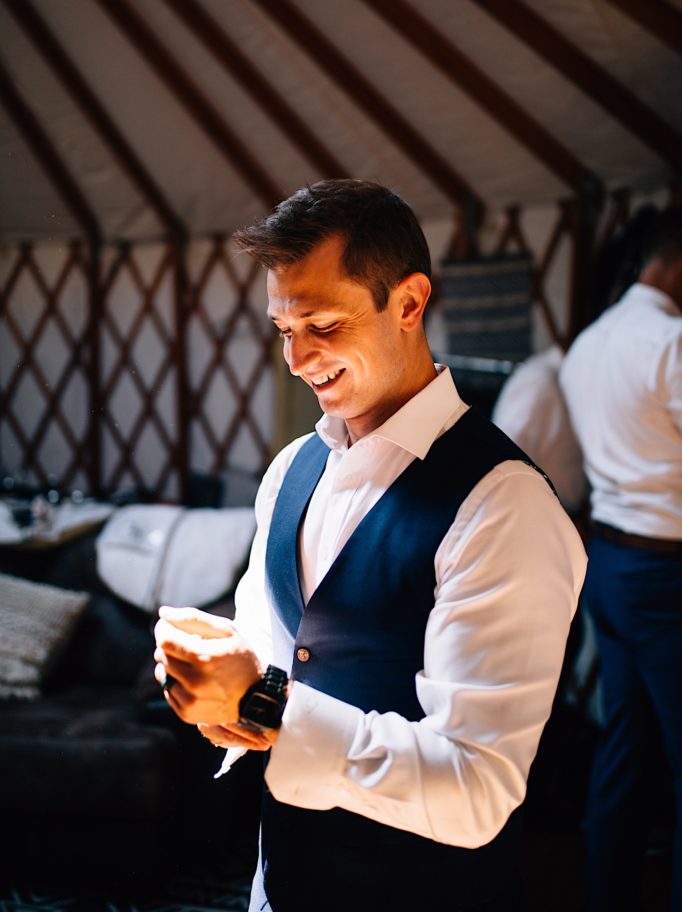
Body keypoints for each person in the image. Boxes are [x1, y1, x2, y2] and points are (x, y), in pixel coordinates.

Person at [154, 180, 587, 912]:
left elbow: (477, 787)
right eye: (282, 328)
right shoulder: (291, 469)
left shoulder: (503, 505)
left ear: (409, 304)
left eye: (322, 324)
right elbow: (272, 660)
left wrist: (264, 700)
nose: (296, 359)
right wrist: (215, 690)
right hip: (281, 884)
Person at [559, 204, 682, 912]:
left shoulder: (588, 345)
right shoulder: (670, 342)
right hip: (665, 574)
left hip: (610, 563)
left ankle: (604, 897)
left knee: (626, 748)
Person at [491, 343, 587, 518]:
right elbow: (505, 464)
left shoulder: (567, 379)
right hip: (534, 516)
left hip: (559, 515)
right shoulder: (539, 384)